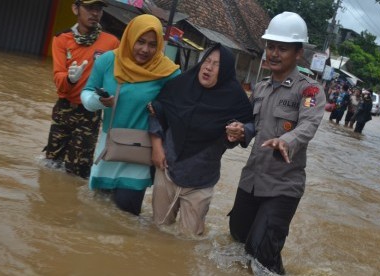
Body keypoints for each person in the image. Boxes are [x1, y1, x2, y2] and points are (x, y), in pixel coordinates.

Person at [225, 12, 325, 275]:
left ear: (298, 53)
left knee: (261, 255)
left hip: (283, 187)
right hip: (252, 180)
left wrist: (286, 140)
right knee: (238, 240)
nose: (274, 53)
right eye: (271, 46)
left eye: (282, 48)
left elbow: (308, 125)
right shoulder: (260, 88)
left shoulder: (309, 90)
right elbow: (251, 127)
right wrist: (239, 131)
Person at [148, 43, 253, 236]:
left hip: (200, 183)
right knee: (157, 232)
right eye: (207, 61)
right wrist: (156, 146)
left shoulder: (234, 100)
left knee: (188, 243)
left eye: (217, 64)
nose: (208, 67)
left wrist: (239, 133)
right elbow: (157, 110)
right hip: (167, 170)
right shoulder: (180, 85)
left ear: (226, 71)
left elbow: (246, 127)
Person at [80, 14, 180, 216]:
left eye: (152, 44)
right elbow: (86, 93)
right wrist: (99, 101)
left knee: (126, 217)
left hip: (139, 156)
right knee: (94, 216)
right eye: (140, 41)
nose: (145, 49)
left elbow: (180, 108)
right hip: (108, 150)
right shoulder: (108, 61)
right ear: (130, 37)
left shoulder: (167, 72)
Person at [43, 0, 120, 179]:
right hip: (64, 108)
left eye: (99, 9)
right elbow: (58, 79)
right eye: (90, 8)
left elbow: (118, 77)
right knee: (51, 164)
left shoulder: (112, 43)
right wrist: (70, 79)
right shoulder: (62, 39)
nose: (95, 13)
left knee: (79, 170)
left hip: (90, 112)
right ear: (76, 8)